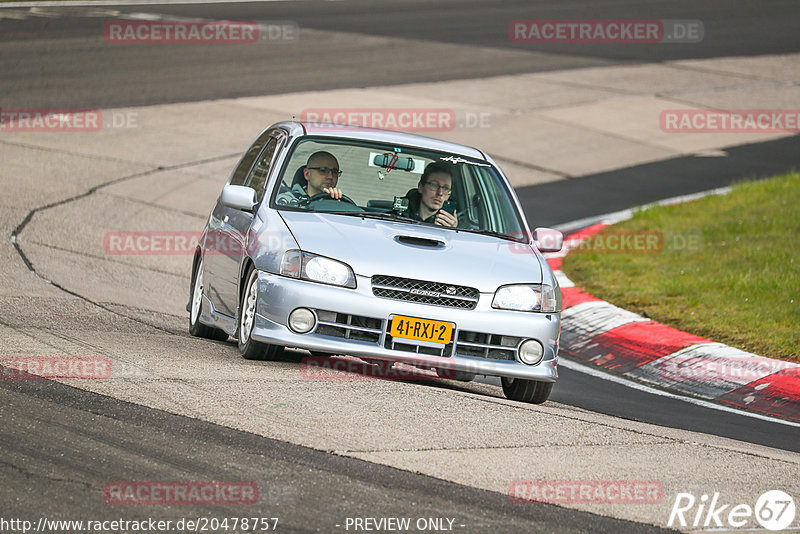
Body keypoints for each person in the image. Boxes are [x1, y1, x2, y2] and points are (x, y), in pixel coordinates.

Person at [276, 151, 344, 205]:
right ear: (307, 174)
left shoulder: (341, 204)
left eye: (334, 172)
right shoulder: (286, 201)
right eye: (323, 170)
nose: (330, 176)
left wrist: (336, 206)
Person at [402, 162, 458, 227]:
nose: (440, 193)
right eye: (434, 185)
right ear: (421, 187)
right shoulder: (399, 214)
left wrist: (452, 232)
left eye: (445, 188)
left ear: (449, 194)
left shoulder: (451, 223)